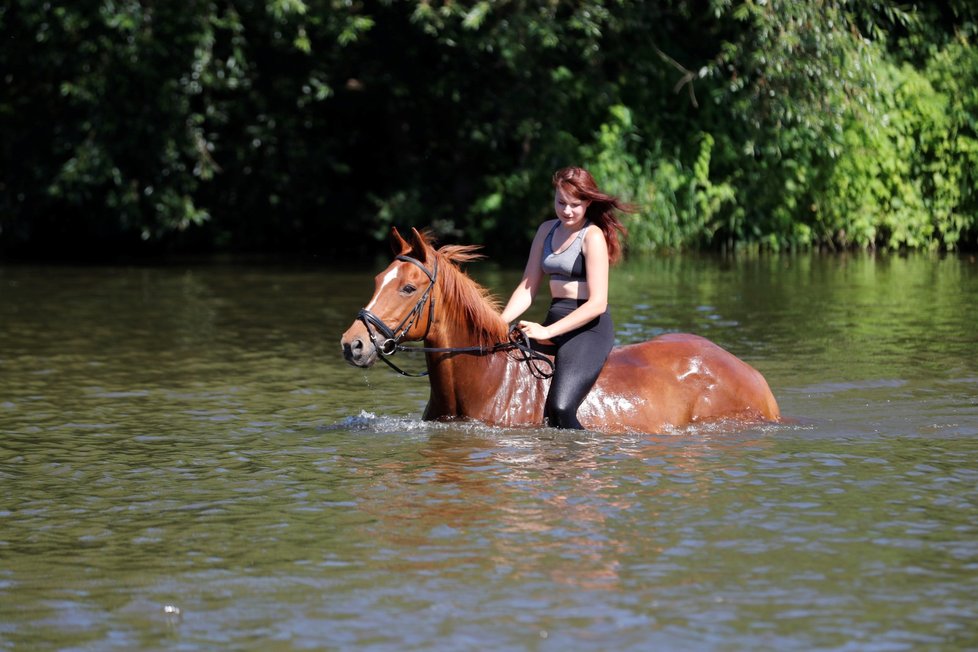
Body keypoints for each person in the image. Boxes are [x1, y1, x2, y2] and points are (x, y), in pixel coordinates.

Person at [500, 167, 636, 429]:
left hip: (589, 329)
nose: (567, 211)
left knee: (560, 408)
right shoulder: (545, 231)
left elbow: (598, 303)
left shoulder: (592, 236)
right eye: (561, 202)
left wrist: (546, 330)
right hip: (554, 319)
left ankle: (582, 462)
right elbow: (528, 288)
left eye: (575, 204)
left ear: (588, 203)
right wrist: (495, 323)